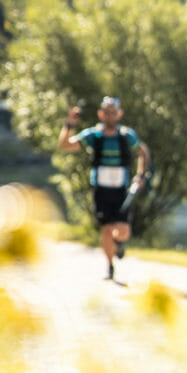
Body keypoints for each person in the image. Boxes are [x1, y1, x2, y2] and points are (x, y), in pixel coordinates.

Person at [59, 96, 151, 280]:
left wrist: (140, 175)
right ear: (101, 114)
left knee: (123, 231)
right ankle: (110, 266)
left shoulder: (126, 136)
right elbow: (65, 145)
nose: (110, 116)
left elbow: (143, 152)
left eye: (113, 113)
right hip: (101, 191)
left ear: (119, 114)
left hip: (121, 191)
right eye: (107, 113)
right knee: (106, 229)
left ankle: (119, 241)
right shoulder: (94, 136)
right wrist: (69, 125)